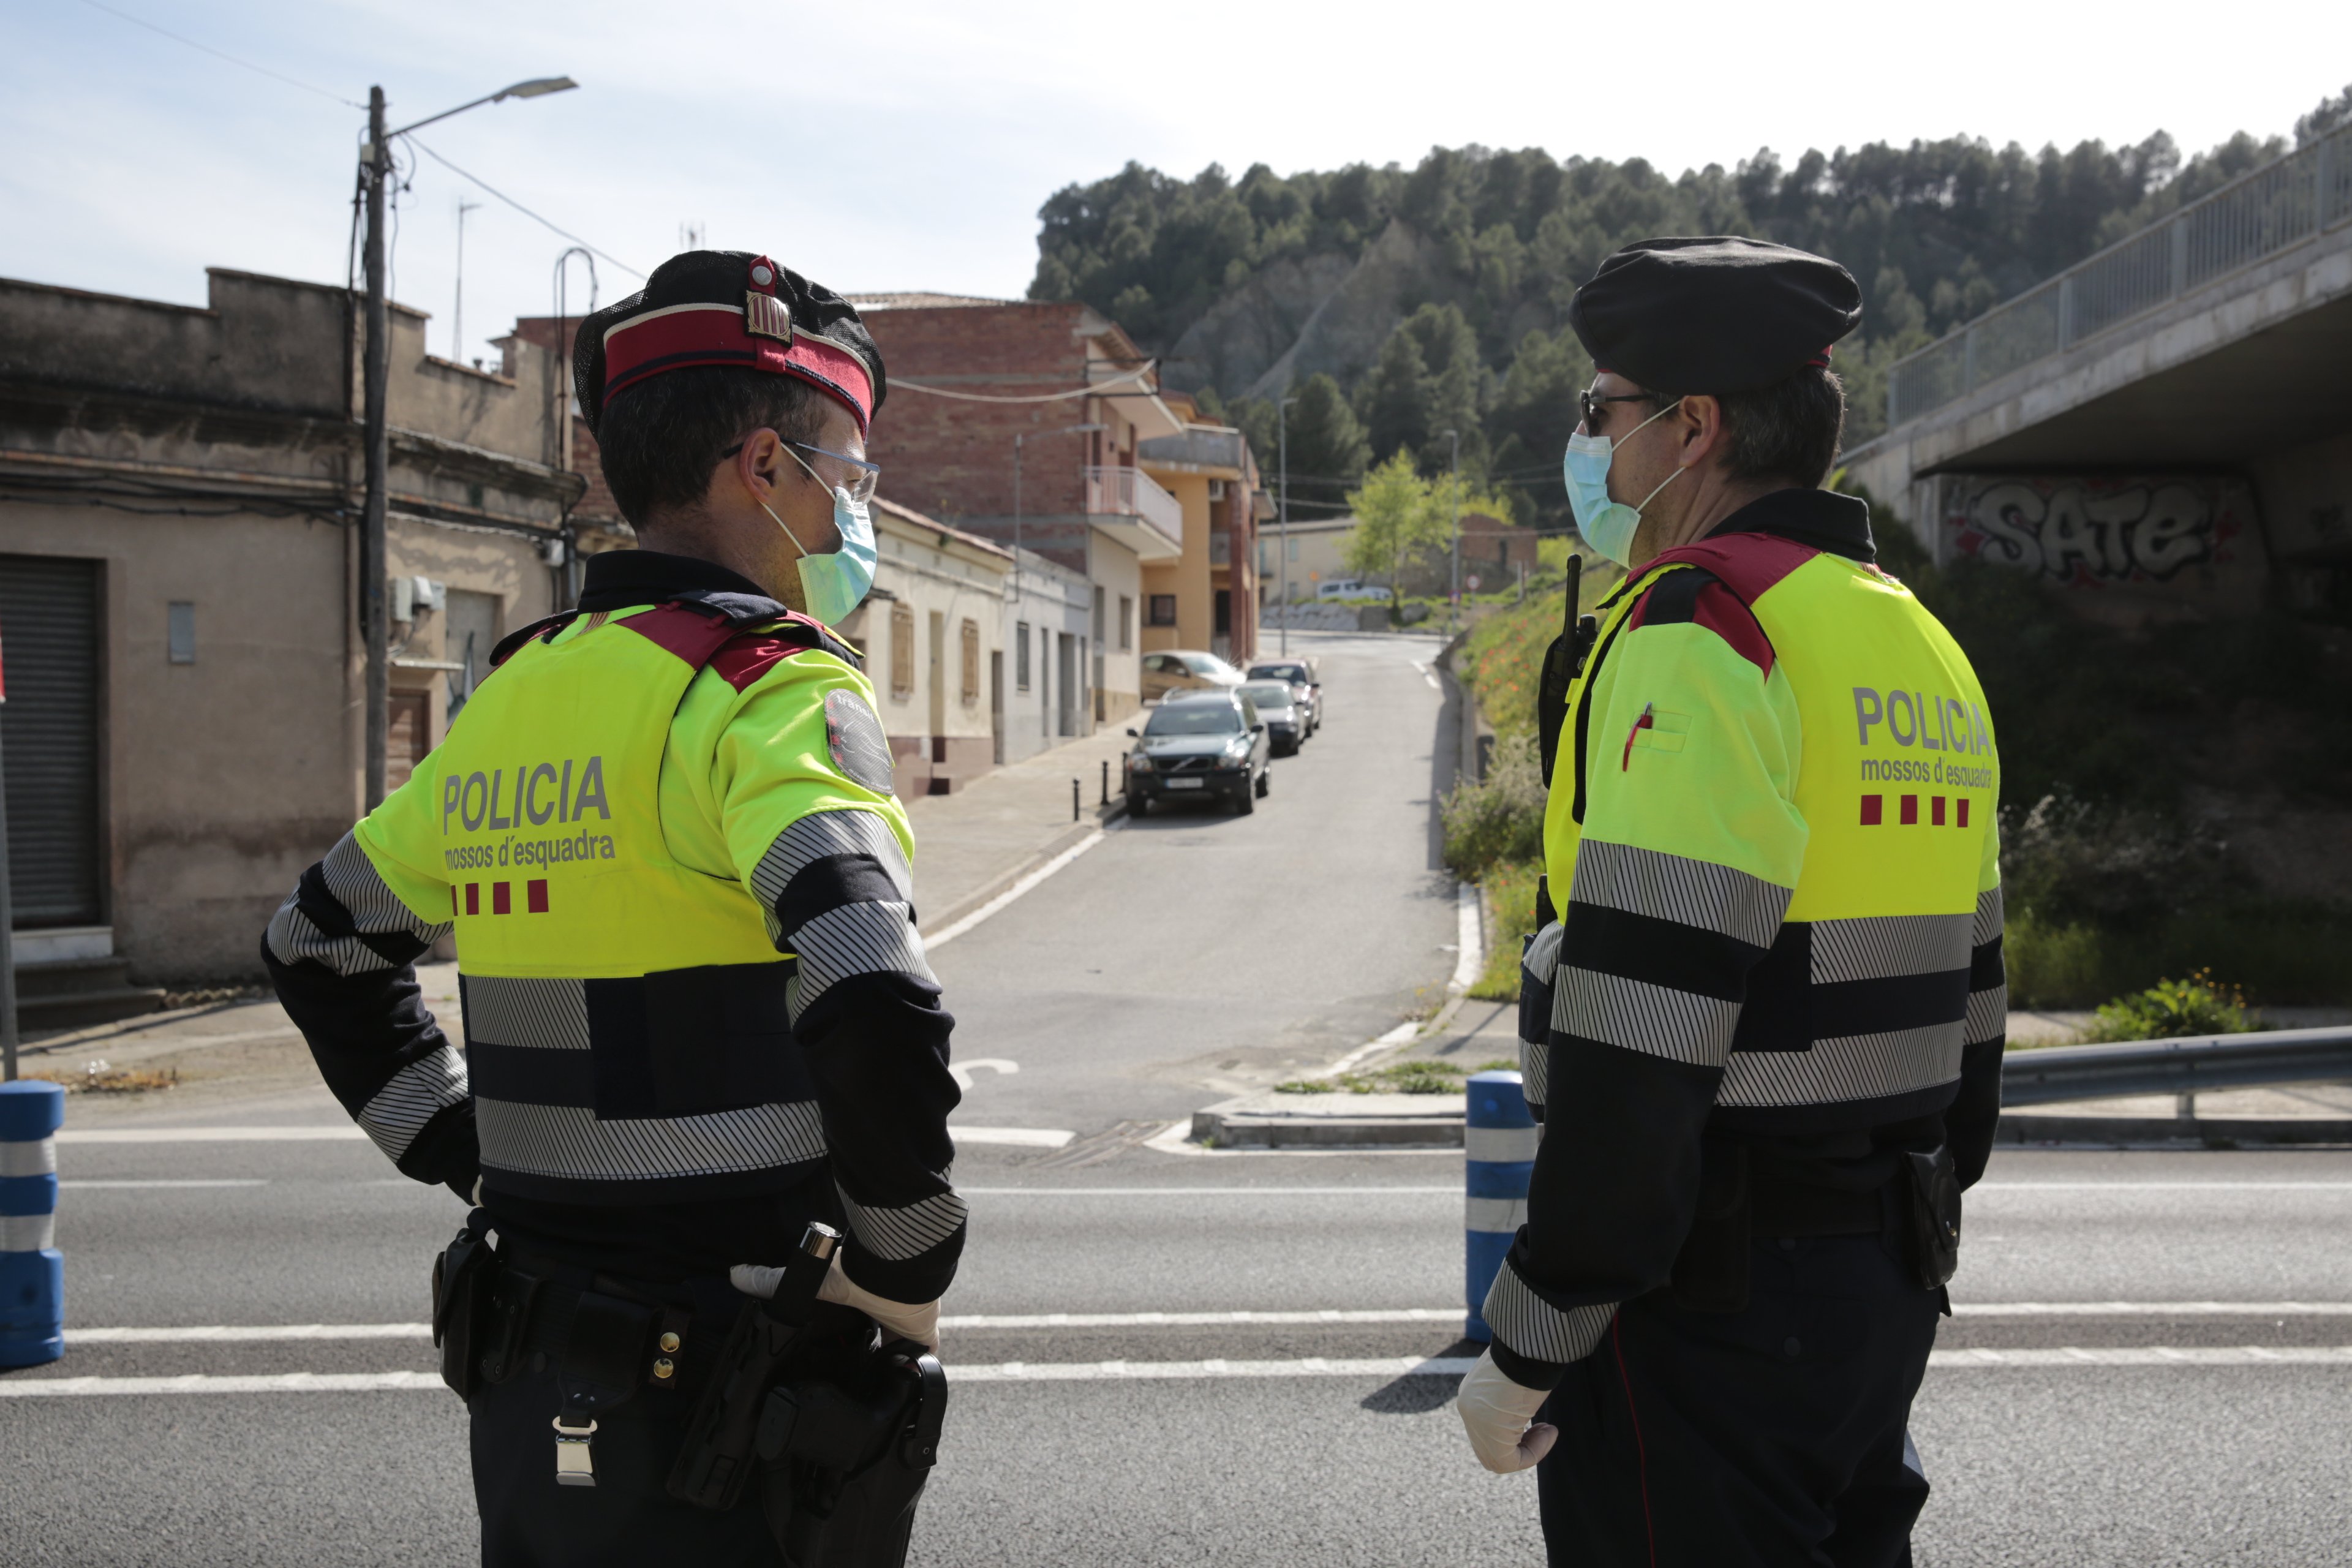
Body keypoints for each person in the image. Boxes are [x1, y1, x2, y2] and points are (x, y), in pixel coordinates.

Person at [263, 250, 963, 1565]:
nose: (857, 516)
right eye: (848, 478)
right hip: (740, 1408)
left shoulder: (513, 700)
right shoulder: (768, 692)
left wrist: (468, 1146)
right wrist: (910, 1256)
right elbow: (870, 984)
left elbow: (317, 939)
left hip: (536, 1395)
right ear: (763, 468)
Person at [1454, 237, 2005, 1567]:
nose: (1588, 444)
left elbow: (1644, 1032)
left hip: (1709, 1307)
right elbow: (1976, 1014)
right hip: (1882, 1282)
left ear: (1689, 427)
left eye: (1602, 410)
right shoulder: (1914, 638)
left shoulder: (1706, 632)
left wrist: (1534, 1331)